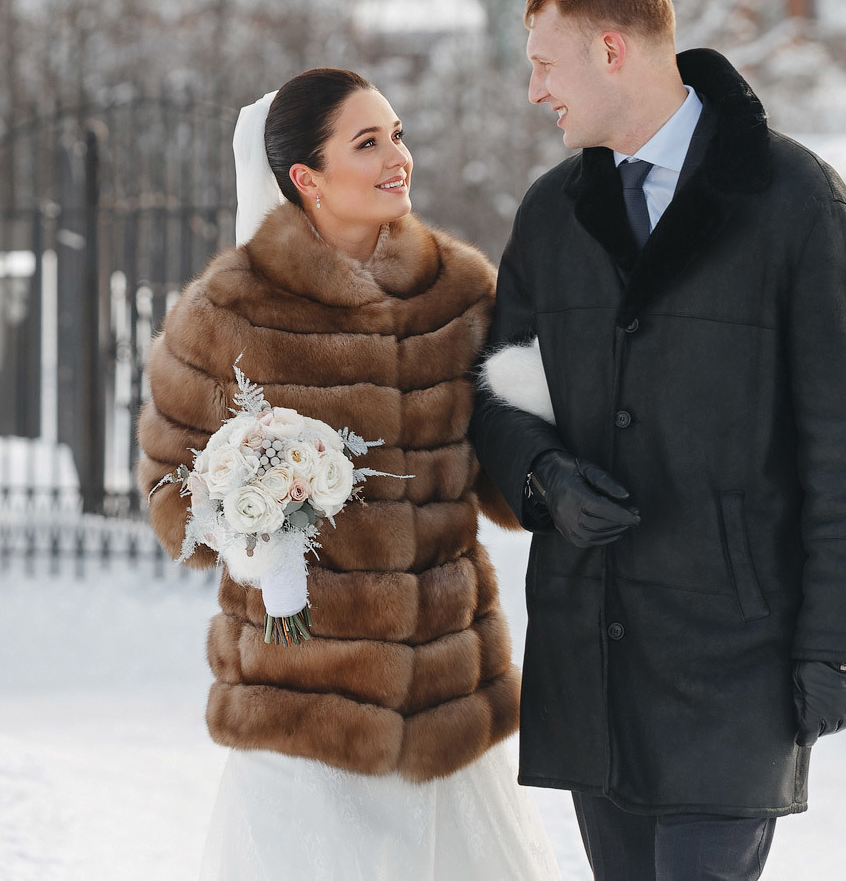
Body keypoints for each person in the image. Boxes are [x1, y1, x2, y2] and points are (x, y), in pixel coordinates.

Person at [468, 0, 846, 881]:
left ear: (611, 50)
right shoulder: (552, 213)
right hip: (596, 651)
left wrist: (840, 642)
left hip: (735, 652)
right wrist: (546, 478)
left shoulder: (795, 203)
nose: (534, 88)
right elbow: (498, 385)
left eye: (545, 62)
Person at [136, 67, 562, 881]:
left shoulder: (461, 290)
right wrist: (253, 525)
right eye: (368, 142)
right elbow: (170, 496)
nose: (397, 155)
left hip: (444, 714)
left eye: (397, 134)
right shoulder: (227, 309)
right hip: (302, 710)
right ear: (307, 177)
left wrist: (545, 423)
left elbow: (505, 483)